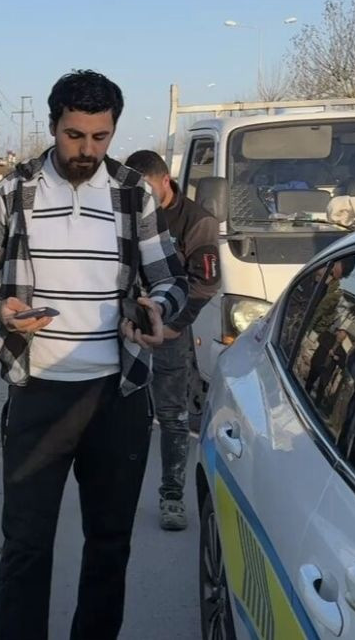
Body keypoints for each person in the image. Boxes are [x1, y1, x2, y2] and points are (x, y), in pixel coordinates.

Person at [0, 70, 187, 640]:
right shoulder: (15, 191)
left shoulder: (133, 192)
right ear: (53, 125)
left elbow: (171, 278)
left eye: (100, 137)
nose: (87, 150)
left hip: (118, 395)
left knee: (110, 543)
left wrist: (158, 309)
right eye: (74, 136)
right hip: (38, 395)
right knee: (26, 544)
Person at [124, 150, 220, 532]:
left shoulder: (196, 221)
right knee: (124, 415)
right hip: (127, 326)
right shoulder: (125, 211)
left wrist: (175, 324)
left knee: (172, 416)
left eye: (147, 190)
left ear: (165, 180)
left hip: (170, 330)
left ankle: (172, 497)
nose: (140, 199)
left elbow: (206, 282)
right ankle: (119, 494)